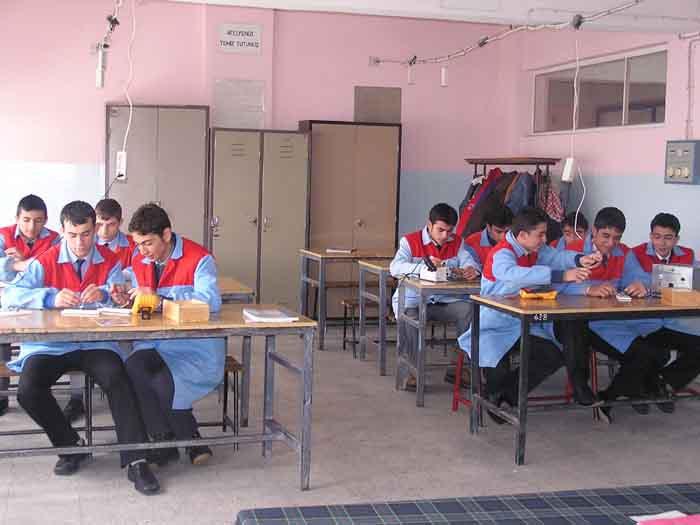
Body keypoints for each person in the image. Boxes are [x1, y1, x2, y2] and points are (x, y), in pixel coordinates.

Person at [2, 201, 159, 494]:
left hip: (94, 342)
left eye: (86, 234)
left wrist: (108, 294)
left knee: (118, 378)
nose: (80, 243)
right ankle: (71, 446)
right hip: (50, 345)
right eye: (72, 235)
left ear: (94, 229)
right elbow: (9, 295)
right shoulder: (45, 260)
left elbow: (121, 296)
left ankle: (137, 459)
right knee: (28, 390)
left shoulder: (110, 260)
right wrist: (49, 297)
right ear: (62, 231)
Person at [458, 207, 599, 423]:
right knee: (496, 368)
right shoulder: (502, 253)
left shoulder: (534, 248)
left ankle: (507, 396)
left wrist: (581, 259)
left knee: (552, 355)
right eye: (540, 235)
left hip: (521, 323)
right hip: (494, 324)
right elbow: (515, 275)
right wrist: (562, 276)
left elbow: (557, 256)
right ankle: (493, 397)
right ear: (523, 235)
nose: (544, 239)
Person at [123, 203, 223, 466]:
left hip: (192, 345)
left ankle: (178, 440)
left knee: (162, 382)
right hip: (155, 340)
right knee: (133, 367)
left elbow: (211, 302)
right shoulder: (139, 259)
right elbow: (143, 303)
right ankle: (170, 439)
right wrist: (126, 299)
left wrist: (161, 298)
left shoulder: (199, 258)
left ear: (166, 235)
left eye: (148, 243)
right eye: (138, 244)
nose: (142, 251)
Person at [558, 207, 658, 421]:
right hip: (573, 324)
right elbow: (553, 285)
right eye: (605, 236)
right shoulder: (571, 251)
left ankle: (609, 397)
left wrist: (642, 286)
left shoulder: (624, 253)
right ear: (593, 231)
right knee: (573, 328)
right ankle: (581, 386)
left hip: (607, 324)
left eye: (617, 237)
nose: (611, 243)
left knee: (645, 354)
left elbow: (642, 279)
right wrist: (588, 289)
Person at [63, 198, 138, 424]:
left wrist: (111, 287)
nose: (104, 231)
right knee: (74, 342)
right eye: (100, 225)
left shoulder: (132, 245)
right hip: (80, 315)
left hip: (115, 312)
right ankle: (77, 398)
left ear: (120, 223)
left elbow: (136, 274)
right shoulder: (80, 242)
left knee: (124, 348)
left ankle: (128, 390)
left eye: (111, 224)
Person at [390, 203, 480, 390]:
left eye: (449, 231)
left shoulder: (457, 242)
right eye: (440, 230)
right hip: (414, 302)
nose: (445, 236)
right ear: (429, 225)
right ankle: (413, 371)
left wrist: (471, 270)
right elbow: (395, 267)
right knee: (409, 318)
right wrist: (424, 268)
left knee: (469, 310)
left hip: (444, 301)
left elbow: (470, 262)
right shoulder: (410, 241)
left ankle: (459, 368)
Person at [621, 212, 700, 414]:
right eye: (657, 237)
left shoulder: (687, 254)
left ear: (677, 239)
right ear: (650, 236)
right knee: (653, 351)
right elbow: (633, 283)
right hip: (646, 322)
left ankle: (664, 382)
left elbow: (696, 282)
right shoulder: (635, 254)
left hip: (676, 322)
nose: (662, 243)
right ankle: (644, 387)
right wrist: (674, 284)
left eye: (668, 238)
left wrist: (652, 286)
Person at [0, 194, 60, 416]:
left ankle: (45, 387)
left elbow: (53, 271)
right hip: (7, 300)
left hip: (38, 301)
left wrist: (16, 263)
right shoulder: (3, 235)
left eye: (38, 220)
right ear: (17, 218)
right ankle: (2, 394)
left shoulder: (55, 239)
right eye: (26, 220)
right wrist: (19, 264)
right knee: (3, 336)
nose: (31, 226)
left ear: (46, 220)